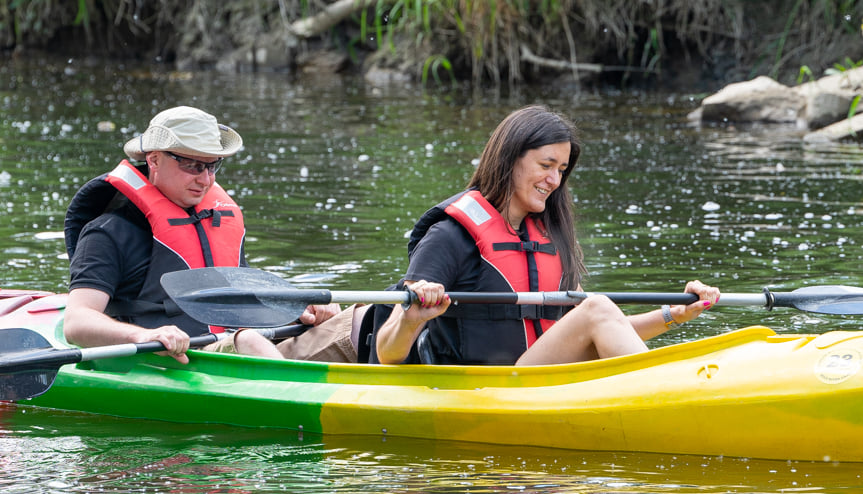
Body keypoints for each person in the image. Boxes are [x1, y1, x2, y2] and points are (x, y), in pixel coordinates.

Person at [374, 105, 720, 366]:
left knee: (596, 309)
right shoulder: (449, 236)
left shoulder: (549, 238)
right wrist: (410, 318)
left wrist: (673, 315)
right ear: (510, 160)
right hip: (490, 390)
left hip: (539, 381)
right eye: (546, 165)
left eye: (561, 170)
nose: (554, 181)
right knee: (596, 306)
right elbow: (387, 352)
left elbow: (599, 329)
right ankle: (663, 392)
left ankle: (661, 389)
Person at [63, 105, 361, 364]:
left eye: (212, 165)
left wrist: (296, 308)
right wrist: (146, 335)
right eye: (192, 165)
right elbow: (76, 323)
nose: (205, 180)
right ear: (154, 160)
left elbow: (239, 298)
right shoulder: (107, 232)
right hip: (179, 360)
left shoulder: (216, 218)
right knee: (249, 341)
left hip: (243, 347)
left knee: (365, 317)